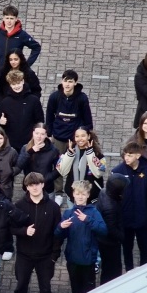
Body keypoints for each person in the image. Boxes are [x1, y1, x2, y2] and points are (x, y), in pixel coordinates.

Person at [5, 172, 62, 293]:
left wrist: (54, 256)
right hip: (24, 255)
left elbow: (58, 233)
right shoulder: (19, 206)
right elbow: (10, 228)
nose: (34, 187)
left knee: (45, 286)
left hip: (45, 256)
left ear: (43, 185)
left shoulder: (53, 207)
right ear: (27, 187)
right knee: (21, 284)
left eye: (37, 184)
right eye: (31, 185)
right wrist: (24, 231)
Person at [0, 4, 42, 123]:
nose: (9, 21)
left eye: (12, 18)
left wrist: (27, 64)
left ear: (16, 19)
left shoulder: (22, 35)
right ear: (3, 18)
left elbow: (36, 47)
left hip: (15, 73)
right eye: (7, 18)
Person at [46, 70, 94, 201]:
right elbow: (49, 118)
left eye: (70, 81)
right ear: (62, 81)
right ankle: (59, 193)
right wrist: (49, 135)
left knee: (77, 166)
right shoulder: (54, 97)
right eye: (65, 81)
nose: (67, 84)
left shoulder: (82, 98)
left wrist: (82, 137)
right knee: (59, 166)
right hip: (58, 138)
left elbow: (88, 121)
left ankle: (76, 191)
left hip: (75, 140)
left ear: (75, 83)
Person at [55, 181, 108, 293]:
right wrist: (60, 227)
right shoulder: (68, 213)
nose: (80, 197)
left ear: (88, 195)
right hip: (72, 260)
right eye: (78, 193)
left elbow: (104, 230)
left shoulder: (93, 212)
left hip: (88, 260)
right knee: (76, 290)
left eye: (83, 194)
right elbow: (58, 235)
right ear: (73, 194)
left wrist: (88, 220)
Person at [112, 142, 147, 271]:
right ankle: (129, 271)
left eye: (130, 155)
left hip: (143, 220)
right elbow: (113, 196)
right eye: (125, 155)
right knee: (127, 248)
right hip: (126, 220)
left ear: (138, 155)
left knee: (145, 248)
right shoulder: (117, 172)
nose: (126, 158)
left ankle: (144, 270)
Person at [0, 70, 44, 154]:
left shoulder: (33, 100)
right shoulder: (5, 102)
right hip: (11, 145)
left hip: (30, 143)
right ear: (10, 85)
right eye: (13, 84)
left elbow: (40, 121)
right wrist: (1, 122)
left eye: (18, 83)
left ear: (23, 81)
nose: (16, 86)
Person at [57, 127, 106, 204]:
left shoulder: (98, 154)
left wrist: (90, 154)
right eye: (77, 136)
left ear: (88, 136)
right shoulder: (70, 152)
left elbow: (99, 173)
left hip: (92, 199)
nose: (80, 139)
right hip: (73, 197)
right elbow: (62, 171)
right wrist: (69, 154)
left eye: (83, 136)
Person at [96, 174, 129, 285]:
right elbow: (111, 229)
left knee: (108, 267)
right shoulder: (110, 207)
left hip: (104, 239)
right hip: (109, 243)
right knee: (111, 270)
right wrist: (122, 237)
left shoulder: (104, 192)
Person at [16, 124, 59, 196]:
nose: (39, 136)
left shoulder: (53, 150)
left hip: (47, 188)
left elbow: (58, 169)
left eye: (42, 134)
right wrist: (31, 151)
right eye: (37, 133)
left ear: (46, 135)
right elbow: (19, 165)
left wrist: (45, 179)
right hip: (29, 187)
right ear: (33, 133)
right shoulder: (26, 148)